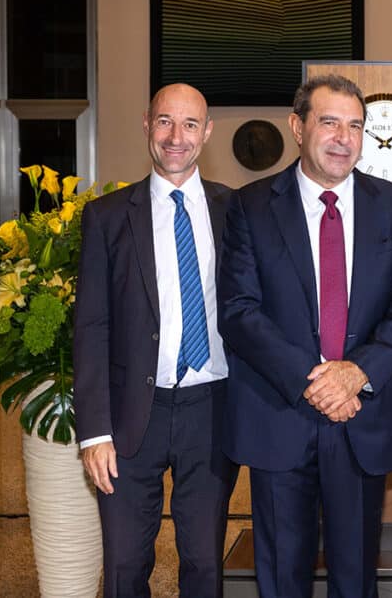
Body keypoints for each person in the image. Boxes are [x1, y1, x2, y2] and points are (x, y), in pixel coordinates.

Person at [218, 73, 392, 598]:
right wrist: (316, 381)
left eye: (356, 126)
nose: (343, 137)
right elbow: (239, 310)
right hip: (280, 415)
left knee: (355, 577)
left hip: (361, 414)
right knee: (284, 574)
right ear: (297, 126)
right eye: (329, 122)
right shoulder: (251, 205)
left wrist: (355, 373)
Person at [73, 83, 238, 597]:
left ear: (207, 133)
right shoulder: (106, 217)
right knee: (123, 567)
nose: (176, 137)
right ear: (147, 125)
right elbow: (92, 324)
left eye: (190, 125)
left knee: (206, 564)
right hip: (128, 415)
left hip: (212, 409)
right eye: (165, 122)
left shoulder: (237, 213)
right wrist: (94, 432)